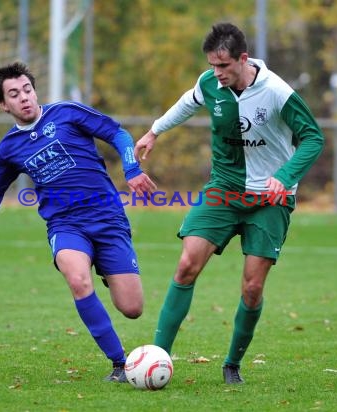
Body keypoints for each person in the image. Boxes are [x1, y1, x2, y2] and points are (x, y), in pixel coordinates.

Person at [134, 22, 324, 384]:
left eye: (223, 66)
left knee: (252, 287)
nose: (216, 74)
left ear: (243, 59)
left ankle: (232, 363)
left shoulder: (278, 93)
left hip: (271, 198)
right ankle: (158, 357)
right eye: (211, 66)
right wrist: (154, 130)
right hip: (224, 189)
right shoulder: (211, 83)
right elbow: (188, 102)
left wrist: (284, 177)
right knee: (187, 264)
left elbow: (313, 138)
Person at [0, 62, 157, 382]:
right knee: (77, 279)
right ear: (3, 105)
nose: (24, 98)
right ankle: (120, 364)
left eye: (27, 90)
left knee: (132, 308)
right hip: (65, 226)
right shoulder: (8, 149)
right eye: (14, 94)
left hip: (107, 218)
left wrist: (131, 170)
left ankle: (105, 267)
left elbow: (118, 133)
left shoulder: (66, 113)